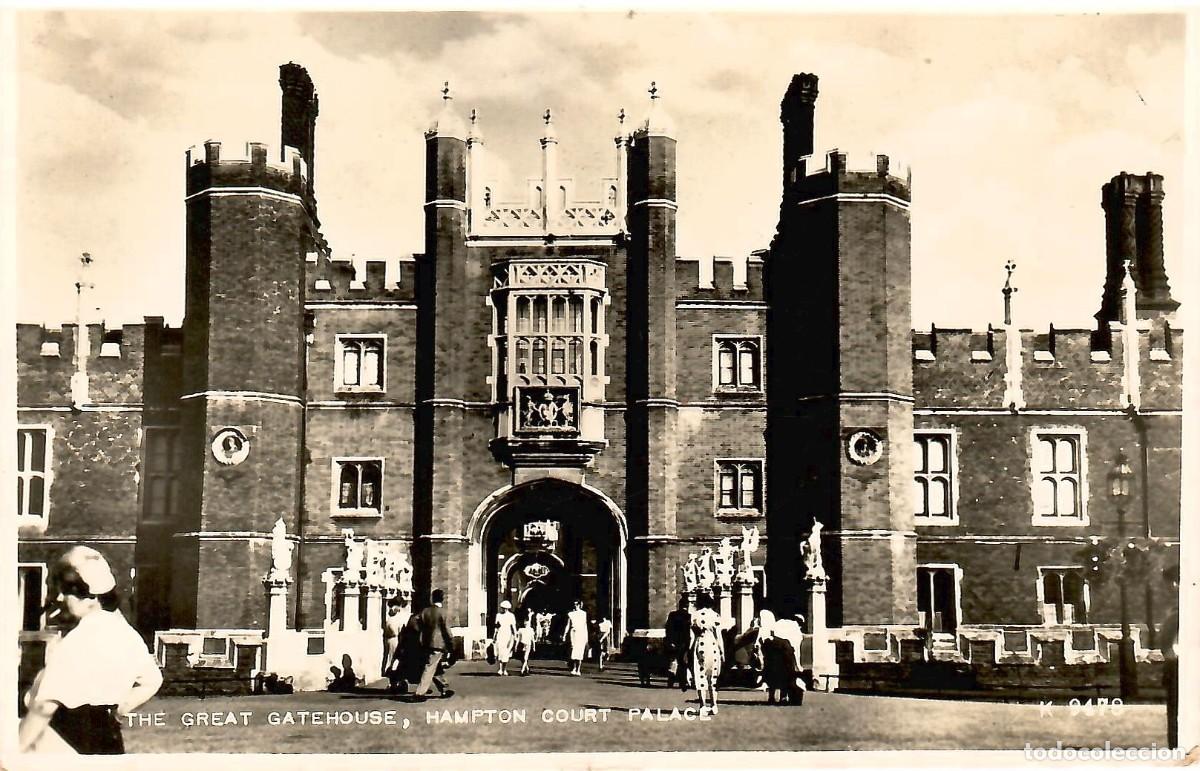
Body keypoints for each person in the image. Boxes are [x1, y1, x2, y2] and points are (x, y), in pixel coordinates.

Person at [19, 546, 163, 754]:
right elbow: (152, 681)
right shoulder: (126, 634)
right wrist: (114, 712)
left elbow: (43, 708)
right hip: (109, 742)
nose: (60, 598)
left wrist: (13, 753)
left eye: (66, 590)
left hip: (67, 743)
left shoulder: (77, 641)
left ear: (88, 596)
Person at [412, 588, 455, 700]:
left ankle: (444, 688)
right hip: (438, 644)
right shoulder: (443, 613)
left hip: (425, 642)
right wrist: (451, 644)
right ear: (442, 599)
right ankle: (420, 693)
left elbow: (416, 623)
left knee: (435, 666)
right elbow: (447, 631)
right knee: (430, 667)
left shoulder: (425, 611)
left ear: (432, 598)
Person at [689, 592, 724, 716]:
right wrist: (722, 651)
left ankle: (703, 705)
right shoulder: (715, 615)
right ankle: (714, 705)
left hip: (700, 644)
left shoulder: (694, 616)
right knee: (713, 676)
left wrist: (689, 650)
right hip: (712, 645)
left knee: (700, 675)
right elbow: (718, 636)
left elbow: (691, 636)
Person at [382, 598, 411, 691]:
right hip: (389, 641)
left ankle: (399, 682)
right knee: (391, 661)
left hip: (397, 641)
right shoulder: (390, 617)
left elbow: (402, 631)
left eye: (395, 606)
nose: (392, 608)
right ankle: (394, 682)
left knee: (396, 662)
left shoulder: (401, 617)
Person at [664, 597, 692, 691]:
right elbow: (688, 632)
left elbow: (668, 629)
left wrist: (670, 641)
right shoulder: (688, 616)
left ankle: (670, 682)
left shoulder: (672, 615)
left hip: (674, 642)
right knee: (683, 663)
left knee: (673, 662)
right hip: (684, 643)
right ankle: (682, 683)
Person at [562, 600, 589, 676]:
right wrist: (565, 634)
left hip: (581, 633)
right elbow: (568, 625)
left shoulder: (584, 614)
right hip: (573, 633)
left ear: (580, 605)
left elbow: (585, 625)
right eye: (574, 604)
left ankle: (578, 669)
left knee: (580, 651)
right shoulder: (570, 614)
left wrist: (586, 637)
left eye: (577, 604)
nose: (575, 606)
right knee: (573, 649)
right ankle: (574, 668)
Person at [492, 600, 518, 676]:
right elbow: (496, 626)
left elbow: (513, 627)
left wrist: (515, 635)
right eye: (502, 608)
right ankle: (500, 669)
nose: (503, 609)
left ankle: (504, 669)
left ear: (507, 608)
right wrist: (494, 636)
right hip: (500, 634)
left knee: (506, 652)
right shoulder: (498, 615)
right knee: (500, 652)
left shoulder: (511, 616)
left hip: (508, 635)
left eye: (504, 608)